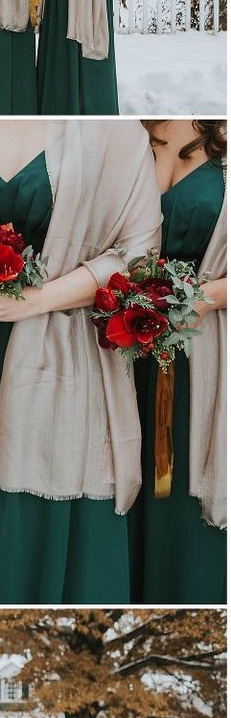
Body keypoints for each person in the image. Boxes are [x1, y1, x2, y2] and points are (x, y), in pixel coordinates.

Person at [0, 119, 162, 605]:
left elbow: (140, 256)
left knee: (41, 534)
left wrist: (36, 300)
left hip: (68, 362)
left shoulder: (117, 135)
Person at [131, 120, 226, 604]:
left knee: (184, 509)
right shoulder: (121, 134)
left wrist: (204, 297)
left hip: (201, 356)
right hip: (118, 352)